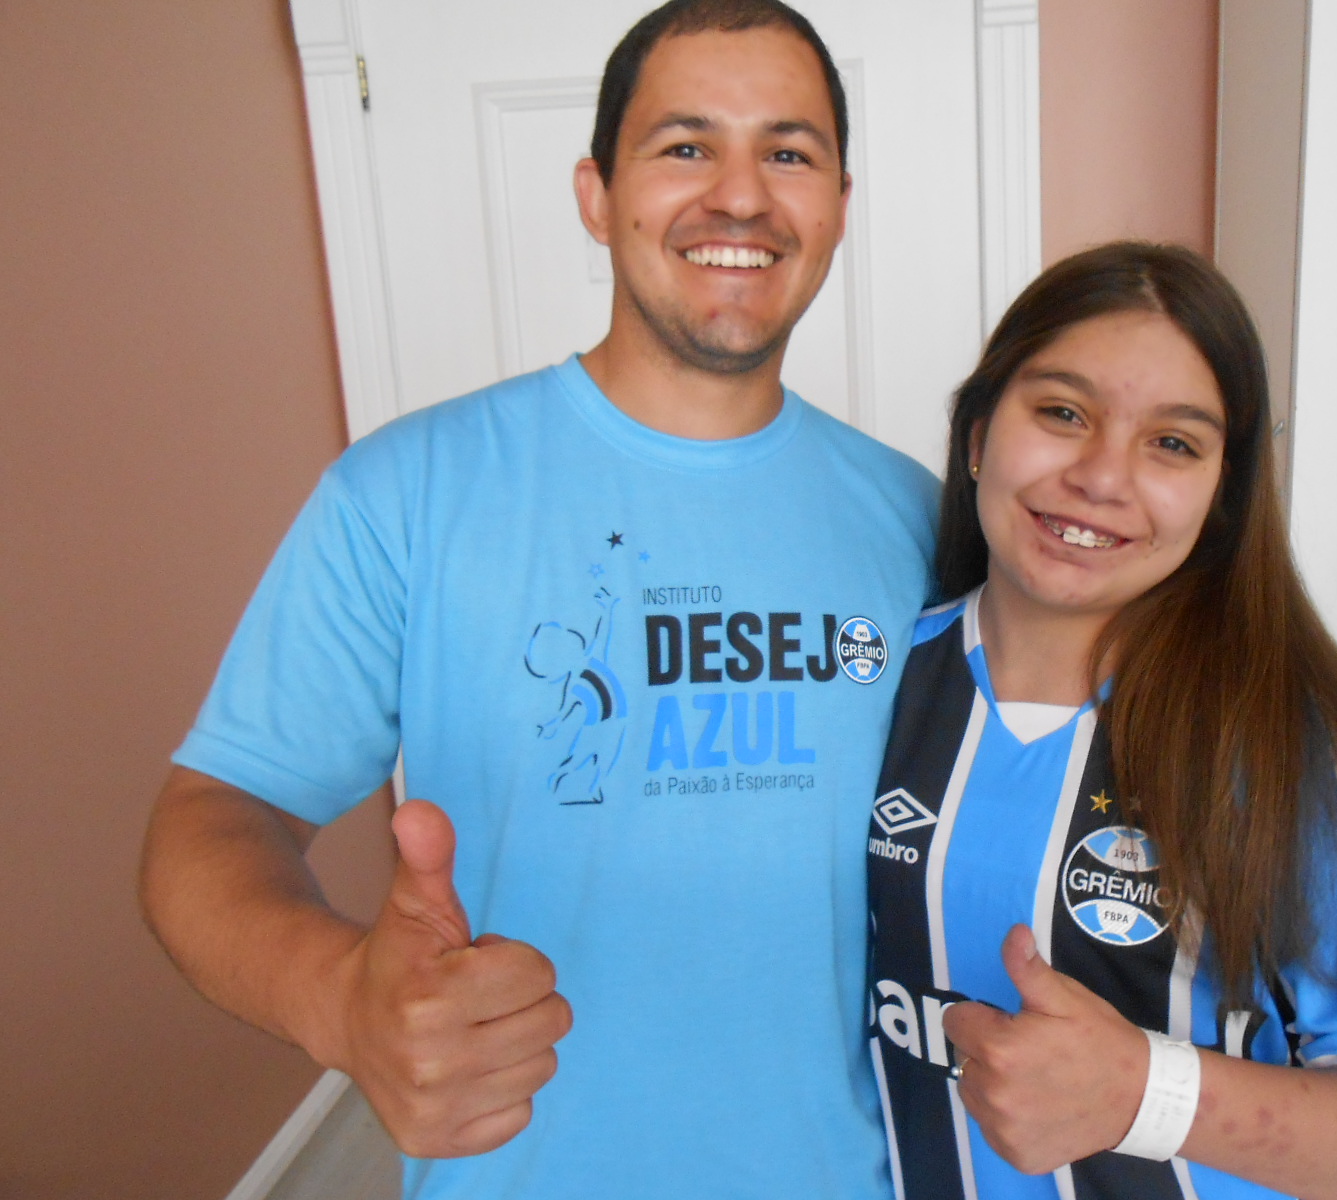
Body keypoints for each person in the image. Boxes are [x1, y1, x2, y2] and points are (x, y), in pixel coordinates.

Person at [138, 3, 937, 1198]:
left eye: (788, 151)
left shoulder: (917, 521)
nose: (740, 196)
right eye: (683, 146)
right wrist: (334, 1001)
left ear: (836, 200)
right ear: (594, 193)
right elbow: (213, 817)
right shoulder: (406, 493)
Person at [866, 243, 1337, 1200]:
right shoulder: (866, 692)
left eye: (1173, 444)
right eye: (1063, 413)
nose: (1104, 478)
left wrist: (1139, 1090)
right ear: (979, 432)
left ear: (1222, 496)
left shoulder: (1272, 753)